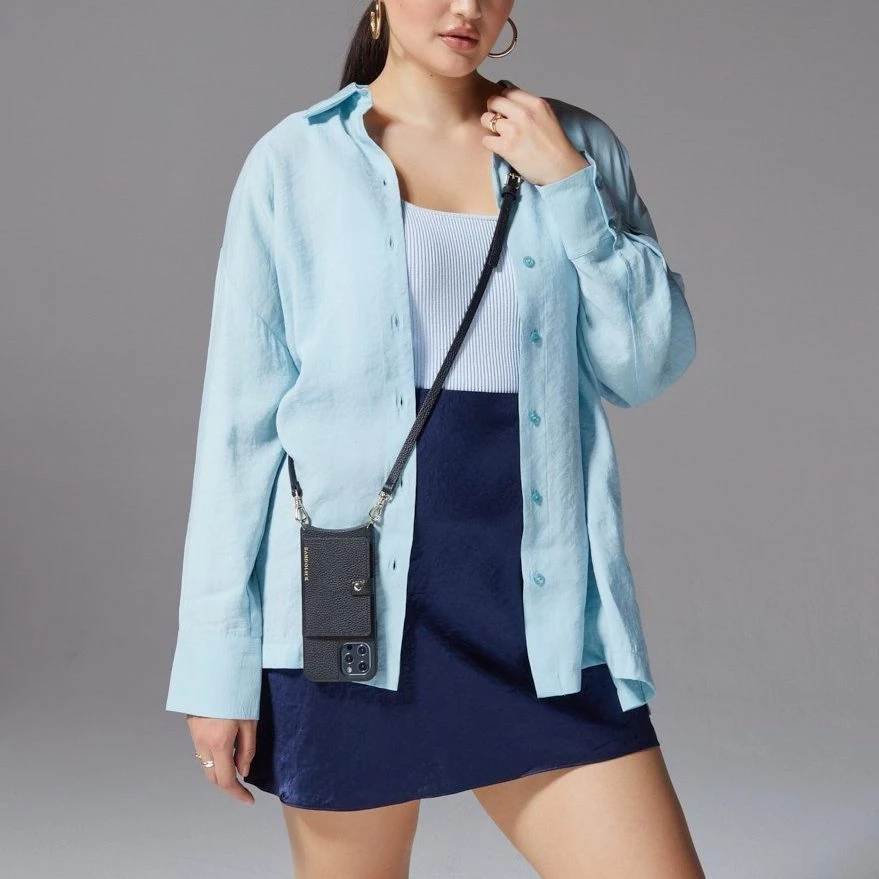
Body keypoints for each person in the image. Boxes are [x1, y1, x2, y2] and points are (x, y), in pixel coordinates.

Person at [166, 1, 705, 876]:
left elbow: (644, 366)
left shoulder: (570, 144)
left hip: (535, 611)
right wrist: (214, 670)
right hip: (352, 613)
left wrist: (569, 187)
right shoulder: (295, 162)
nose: (467, 8)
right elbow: (238, 429)